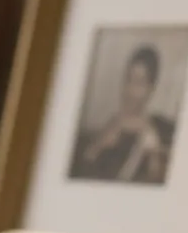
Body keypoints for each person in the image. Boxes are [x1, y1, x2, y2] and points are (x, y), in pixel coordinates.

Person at [71, 44, 176, 184]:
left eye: (139, 83)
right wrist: (99, 145)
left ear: (151, 89)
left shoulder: (160, 129)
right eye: (128, 79)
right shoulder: (110, 125)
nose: (130, 90)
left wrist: (153, 155)